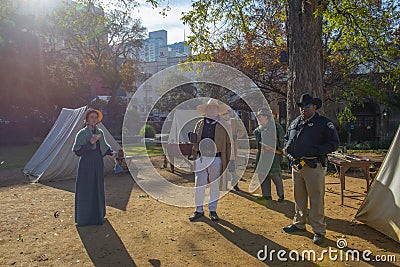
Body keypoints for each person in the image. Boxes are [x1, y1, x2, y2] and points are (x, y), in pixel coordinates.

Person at [282, 93, 339, 245]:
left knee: (316, 199)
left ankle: (319, 230)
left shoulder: (323, 123)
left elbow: (334, 143)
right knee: (299, 197)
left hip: (314, 166)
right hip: (296, 166)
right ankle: (299, 224)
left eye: (307, 106)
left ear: (314, 106)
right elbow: (287, 138)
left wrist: (315, 150)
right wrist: (286, 149)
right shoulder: (295, 122)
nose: (303, 109)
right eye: (301, 106)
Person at [189, 99, 232, 222]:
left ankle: (212, 210)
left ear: (217, 110)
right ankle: (199, 210)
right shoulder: (199, 123)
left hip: (217, 158)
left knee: (214, 185)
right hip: (201, 157)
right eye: (209, 108)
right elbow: (195, 141)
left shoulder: (224, 125)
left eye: (214, 108)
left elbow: (228, 144)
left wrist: (230, 161)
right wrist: (193, 141)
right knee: (199, 185)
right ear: (206, 110)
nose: (212, 110)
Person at [72, 108, 115, 227]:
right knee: (86, 189)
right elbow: (78, 151)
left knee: (97, 187)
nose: (94, 119)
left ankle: (98, 216)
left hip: (98, 163)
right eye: (91, 117)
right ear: (86, 120)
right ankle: (85, 218)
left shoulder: (100, 132)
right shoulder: (82, 134)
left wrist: (110, 153)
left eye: (95, 117)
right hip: (86, 164)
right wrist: (90, 142)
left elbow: (104, 147)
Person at [253, 108, 285, 202]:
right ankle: (266, 195)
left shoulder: (276, 127)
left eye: (260, 116)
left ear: (266, 117)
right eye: (258, 116)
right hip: (262, 156)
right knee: (263, 175)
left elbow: (282, 140)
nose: (258, 118)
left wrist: (275, 148)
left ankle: (281, 195)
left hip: (273, 155)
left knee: (275, 175)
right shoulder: (259, 129)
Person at [219, 108, 246, 191]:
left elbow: (242, 130)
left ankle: (235, 184)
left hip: (232, 147)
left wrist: (237, 136)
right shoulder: (219, 123)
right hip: (223, 148)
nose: (225, 115)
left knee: (233, 168)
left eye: (227, 113)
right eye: (223, 114)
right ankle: (225, 185)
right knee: (224, 168)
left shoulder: (234, 121)